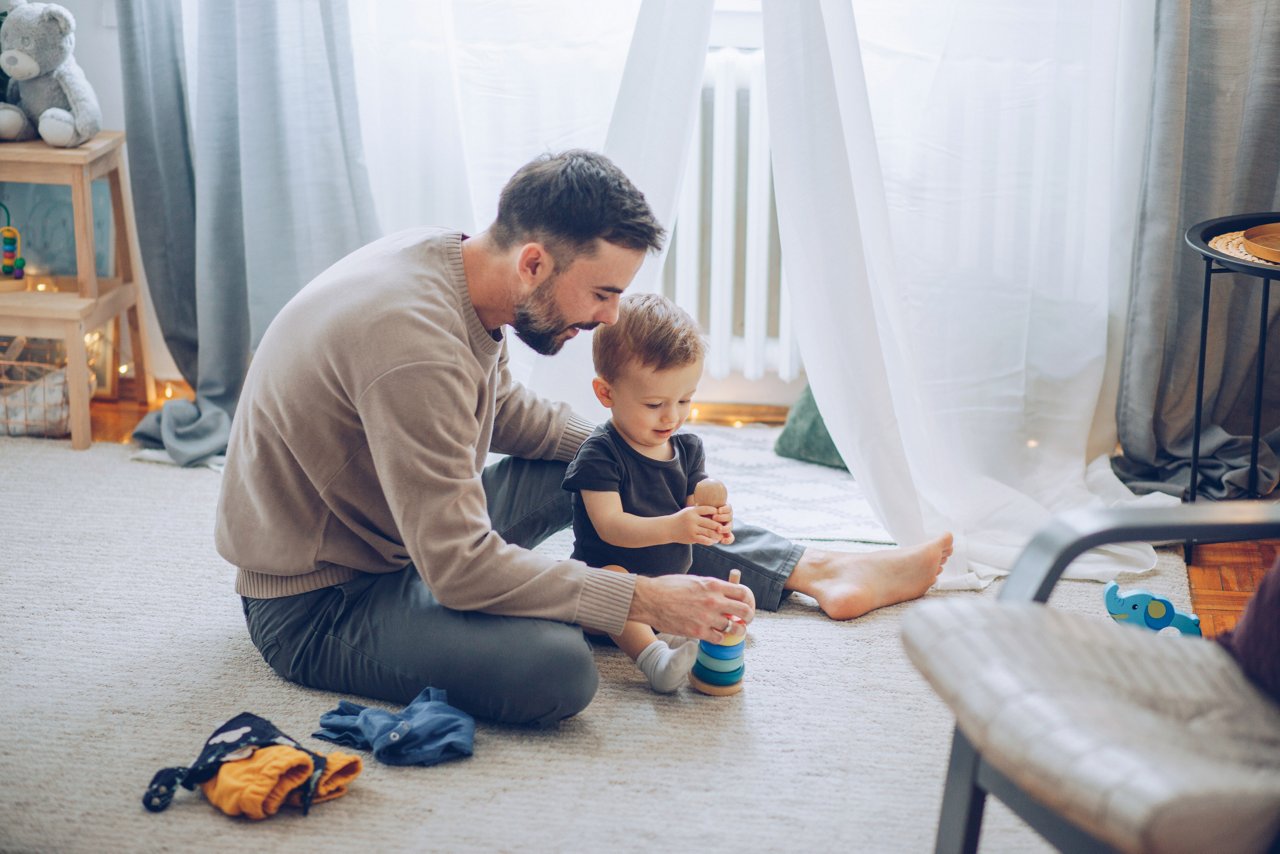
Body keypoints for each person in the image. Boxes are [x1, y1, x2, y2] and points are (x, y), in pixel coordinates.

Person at [216, 149, 953, 728]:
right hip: (323, 601)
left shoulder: (462, 269)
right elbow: (461, 570)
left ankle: (807, 567)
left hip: (398, 536)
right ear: (534, 262)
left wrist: (635, 448)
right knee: (560, 670)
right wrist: (642, 598)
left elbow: (507, 415)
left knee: (593, 464)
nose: (608, 318)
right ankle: (761, 576)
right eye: (601, 293)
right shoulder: (415, 345)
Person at [563, 293, 735, 693]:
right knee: (613, 577)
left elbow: (694, 506)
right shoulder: (600, 453)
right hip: (604, 597)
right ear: (606, 394)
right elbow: (611, 527)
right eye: (655, 403)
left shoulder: (687, 448)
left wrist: (711, 519)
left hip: (668, 586)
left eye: (685, 400)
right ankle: (653, 659)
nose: (672, 416)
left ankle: (689, 630)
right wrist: (676, 527)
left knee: (719, 587)